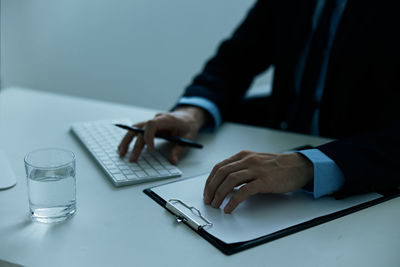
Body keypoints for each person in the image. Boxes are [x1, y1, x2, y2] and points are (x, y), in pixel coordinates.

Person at [118, 0, 400, 213]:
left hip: (369, 186)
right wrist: (193, 113)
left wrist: (308, 165)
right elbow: (235, 61)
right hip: (282, 156)